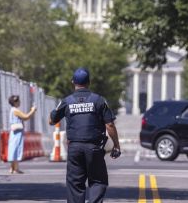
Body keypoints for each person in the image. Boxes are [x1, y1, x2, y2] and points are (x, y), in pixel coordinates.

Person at [50, 67, 121, 203]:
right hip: (94, 148)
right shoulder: (99, 100)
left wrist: (58, 111)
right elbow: (110, 125)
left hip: (74, 149)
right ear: (89, 82)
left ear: (73, 82)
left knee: (75, 185)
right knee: (98, 181)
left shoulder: (67, 101)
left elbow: (52, 120)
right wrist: (116, 145)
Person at [7, 94, 37, 174]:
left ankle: (13, 168)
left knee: (13, 149)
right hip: (17, 132)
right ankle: (15, 168)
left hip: (15, 132)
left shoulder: (12, 110)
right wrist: (33, 110)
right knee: (16, 149)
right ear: (15, 102)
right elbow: (26, 117)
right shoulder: (15, 110)